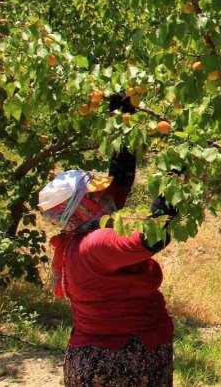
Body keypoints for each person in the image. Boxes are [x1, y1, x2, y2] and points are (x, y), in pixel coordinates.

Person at [38, 100, 177, 387]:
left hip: (97, 357)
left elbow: (119, 183)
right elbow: (153, 236)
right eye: (95, 194)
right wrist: (174, 177)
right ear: (84, 205)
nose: (105, 195)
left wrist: (123, 118)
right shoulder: (96, 244)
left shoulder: (75, 238)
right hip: (121, 362)